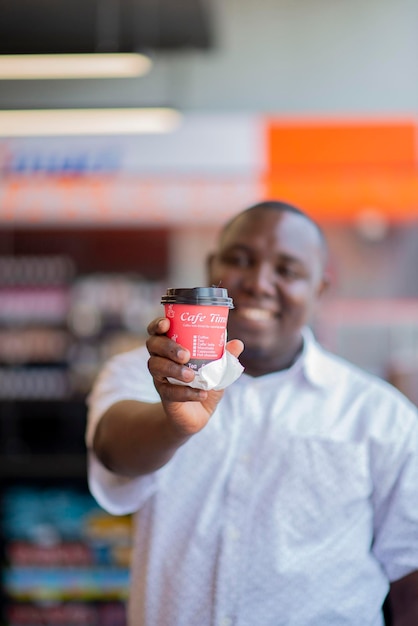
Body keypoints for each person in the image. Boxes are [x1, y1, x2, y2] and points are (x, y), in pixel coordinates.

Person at [86, 200, 418, 626]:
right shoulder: (144, 371)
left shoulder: (378, 414)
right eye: (241, 261)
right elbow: (114, 451)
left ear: (320, 289)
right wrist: (172, 421)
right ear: (212, 269)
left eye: (288, 270)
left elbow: (409, 570)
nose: (260, 283)